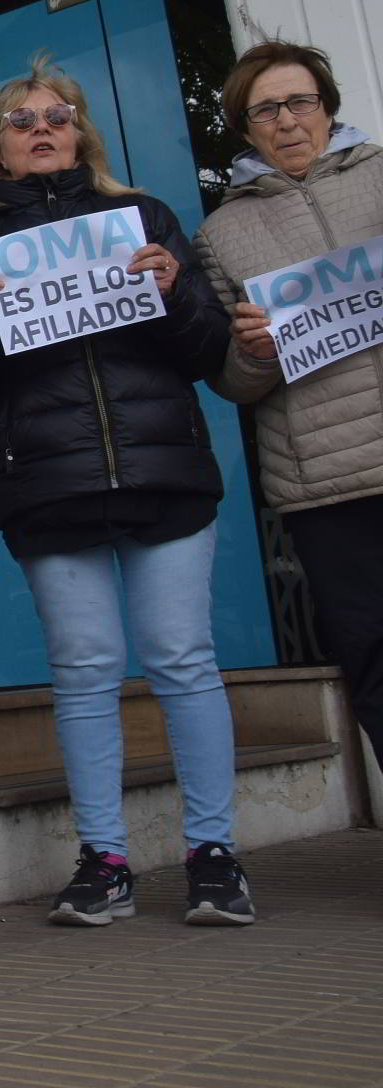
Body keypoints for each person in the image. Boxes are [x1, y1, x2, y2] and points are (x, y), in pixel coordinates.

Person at [0, 55, 248, 928]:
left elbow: (207, 353)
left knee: (183, 659)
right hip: (50, 487)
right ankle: (105, 861)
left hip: (163, 472)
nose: (41, 127)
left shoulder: (142, 218)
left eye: (57, 114)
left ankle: (214, 856)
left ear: (80, 133)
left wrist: (177, 289)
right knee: (84, 671)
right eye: (22, 119)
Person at [192, 42, 383, 787]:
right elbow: (233, 384)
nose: (288, 120)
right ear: (246, 128)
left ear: (327, 107)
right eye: (266, 109)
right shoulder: (221, 233)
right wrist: (255, 351)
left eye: (301, 101)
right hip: (324, 484)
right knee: (370, 657)